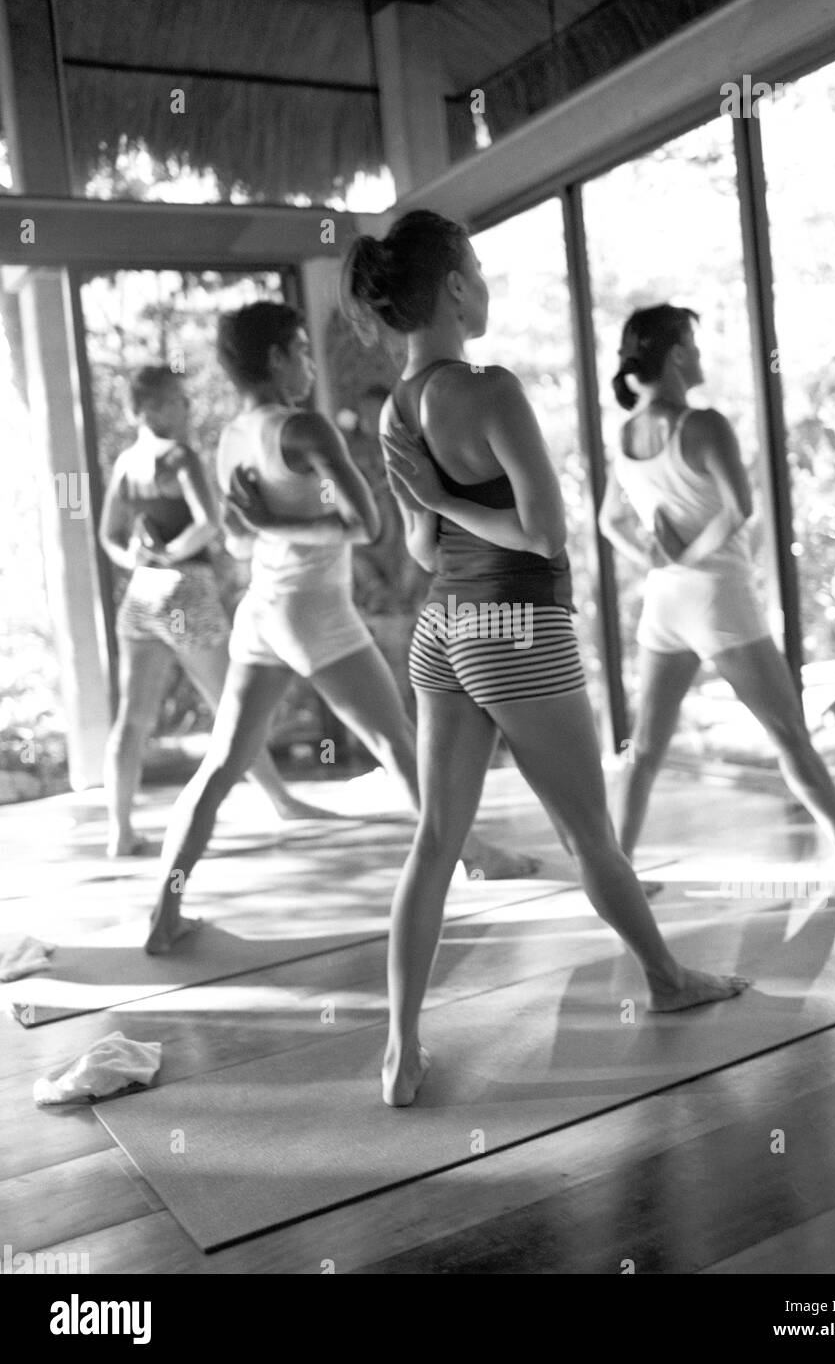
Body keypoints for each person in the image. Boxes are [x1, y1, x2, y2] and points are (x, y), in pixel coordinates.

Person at [341, 211, 749, 1108]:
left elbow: (419, 548)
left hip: (441, 628)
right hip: (515, 627)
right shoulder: (489, 389)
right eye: (477, 267)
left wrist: (444, 502)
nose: (483, 281)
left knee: (436, 840)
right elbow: (543, 532)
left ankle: (401, 1051)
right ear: (452, 284)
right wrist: (462, 500)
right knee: (588, 836)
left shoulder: (398, 409)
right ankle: (668, 980)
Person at [145, 304, 533, 954]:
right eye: (299, 349)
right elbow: (367, 525)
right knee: (399, 746)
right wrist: (281, 525)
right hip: (312, 613)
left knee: (222, 762)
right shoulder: (306, 430)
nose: (307, 362)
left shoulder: (233, 436)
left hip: (264, 611)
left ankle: (165, 912)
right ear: (274, 358)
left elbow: (239, 544)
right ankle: (473, 856)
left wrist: (267, 525)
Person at [598, 304, 835, 870]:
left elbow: (609, 521)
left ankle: (618, 869)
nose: (702, 356)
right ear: (678, 353)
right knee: (788, 731)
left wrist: (656, 557)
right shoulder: (703, 424)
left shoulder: (628, 434)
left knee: (644, 749)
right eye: (695, 344)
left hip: (665, 600)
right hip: (718, 598)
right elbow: (739, 509)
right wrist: (688, 553)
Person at [98, 365, 329, 859]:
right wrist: (172, 553)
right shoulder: (180, 456)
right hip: (184, 589)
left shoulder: (124, 464)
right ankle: (281, 800)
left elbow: (109, 536)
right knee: (234, 706)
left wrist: (137, 558)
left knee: (132, 719)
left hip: (141, 596)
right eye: (180, 401)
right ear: (154, 409)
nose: (188, 409)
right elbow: (208, 524)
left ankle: (119, 831)